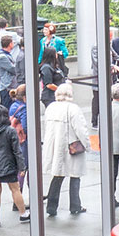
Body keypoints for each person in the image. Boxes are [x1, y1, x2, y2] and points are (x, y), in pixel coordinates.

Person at [43, 84, 91, 217]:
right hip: (71, 146)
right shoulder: (73, 108)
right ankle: (75, 205)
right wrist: (87, 144)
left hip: (55, 145)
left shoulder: (51, 107)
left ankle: (51, 207)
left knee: (57, 175)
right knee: (75, 176)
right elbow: (80, 129)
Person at [0, 34, 21, 108]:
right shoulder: (2, 57)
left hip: (10, 86)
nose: (14, 44)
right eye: (12, 42)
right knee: (7, 107)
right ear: (9, 44)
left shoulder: (7, 55)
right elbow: (12, 69)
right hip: (7, 87)